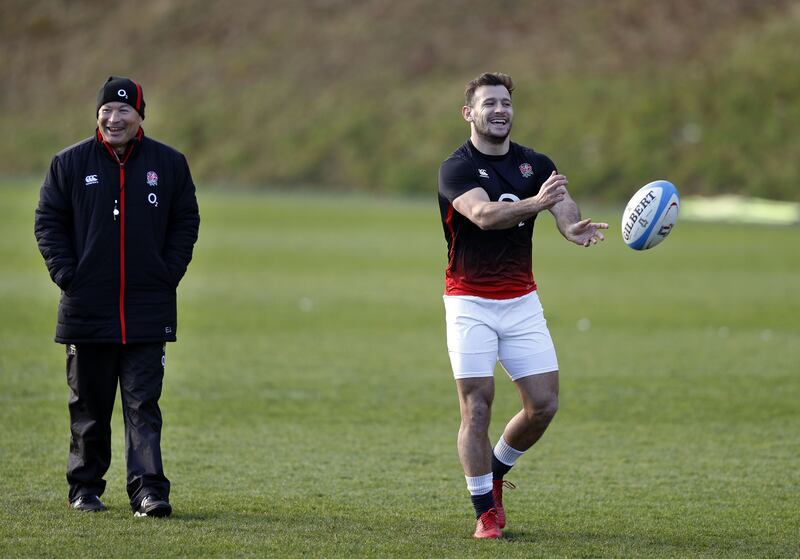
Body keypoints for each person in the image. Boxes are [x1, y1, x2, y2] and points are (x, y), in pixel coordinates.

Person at [437, 72, 607, 538]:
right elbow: (484, 215)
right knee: (477, 405)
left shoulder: (535, 162)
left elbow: (562, 203)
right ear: (468, 113)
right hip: (469, 301)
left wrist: (571, 226)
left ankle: (493, 470)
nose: (499, 110)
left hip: (521, 302)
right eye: (488, 103)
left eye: (505, 103)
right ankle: (485, 512)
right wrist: (538, 203)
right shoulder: (457, 168)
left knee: (544, 405)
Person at [34, 76, 200, 517]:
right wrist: (67, 274)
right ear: (98, 115)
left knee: (143, 405)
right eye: (107, 110)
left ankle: (148, 491)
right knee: (88, 406)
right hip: (86, 309)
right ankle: (84, 489)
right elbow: (48, 221)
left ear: (140, 115)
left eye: (124, 110)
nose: (114, 117)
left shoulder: (169, 164)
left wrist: (168, 273)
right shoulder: (68, 163)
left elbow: (186, 220)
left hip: (148, 308)